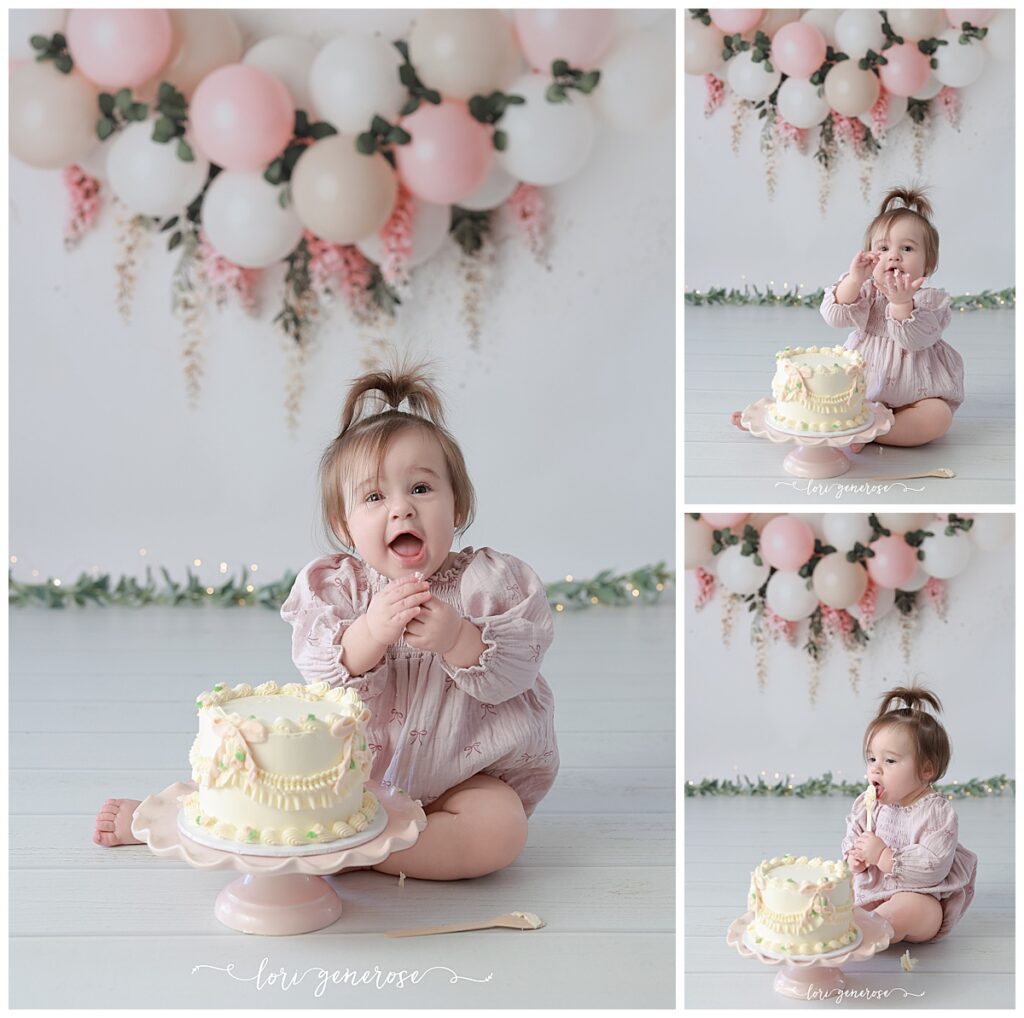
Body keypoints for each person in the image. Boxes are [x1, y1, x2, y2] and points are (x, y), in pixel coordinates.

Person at [95, 362, 559, 882]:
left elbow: (518, 669)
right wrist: (369, 634)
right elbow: (322, 672)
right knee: (266, 799)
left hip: (466, 778)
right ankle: (163, 819)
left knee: (500, 830)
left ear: (457, 506)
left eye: (422, 489)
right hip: (354, 780)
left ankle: (354, 850)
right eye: (375, 497)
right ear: (344, 524)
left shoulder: (491, 582)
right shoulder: (339, 589)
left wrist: (458, 638)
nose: (401, 510)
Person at [820, 186, 964, 450]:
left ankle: (871, 431)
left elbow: (914, 339)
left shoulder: (930, 301)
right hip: (867, 389)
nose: (894, 255)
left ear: (928, 264)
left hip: (917, 394)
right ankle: (859, 420)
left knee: (938, 417)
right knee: (830, 392)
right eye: (883, 248)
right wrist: (854, 279)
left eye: (907, 248)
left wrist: (901, 303)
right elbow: (834, 316)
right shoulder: (865, 290)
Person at [842, 685, 977, 944]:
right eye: (871, 759)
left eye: (889, 761)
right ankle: (851, 927)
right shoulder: (869, 805)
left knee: (908, 908)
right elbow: (855, 833)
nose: (876, 770)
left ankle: (870, 931)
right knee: (841, 896)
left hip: (921, 896)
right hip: (874, 892)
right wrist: (855, 856)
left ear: (926, 770)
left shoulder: (936, 813)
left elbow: (934, 866)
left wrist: (884, 856)